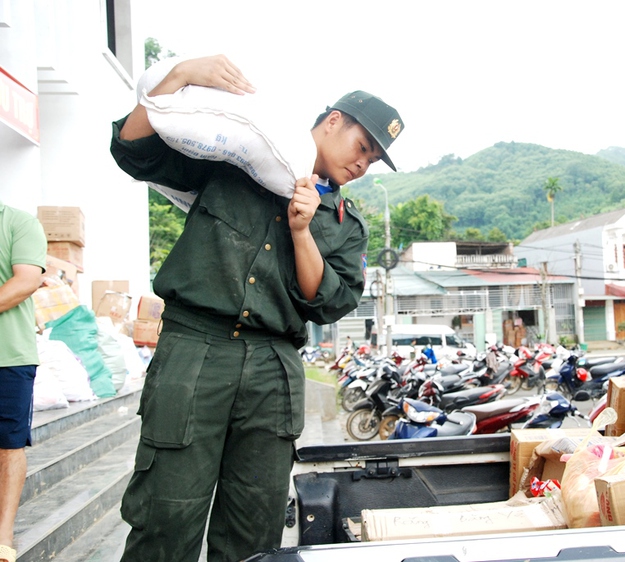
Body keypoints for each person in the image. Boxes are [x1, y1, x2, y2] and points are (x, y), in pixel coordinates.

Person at [110, 55, 405, 562]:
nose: (362, 163)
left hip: (273, 368)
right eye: (362, 146)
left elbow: (330, 301)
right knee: (165, 516)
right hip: (194, 349)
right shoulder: (237, 156)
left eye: (373, 160)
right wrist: (176, 79)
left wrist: (301, 231)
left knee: (255, 528)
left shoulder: (344, 223)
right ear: (333, 121)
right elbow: (134, 151)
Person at [0, 201, 47, 562]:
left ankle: (3, 533)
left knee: (8, 445)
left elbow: (26, 280)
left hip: (8, 356)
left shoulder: (18, 223)